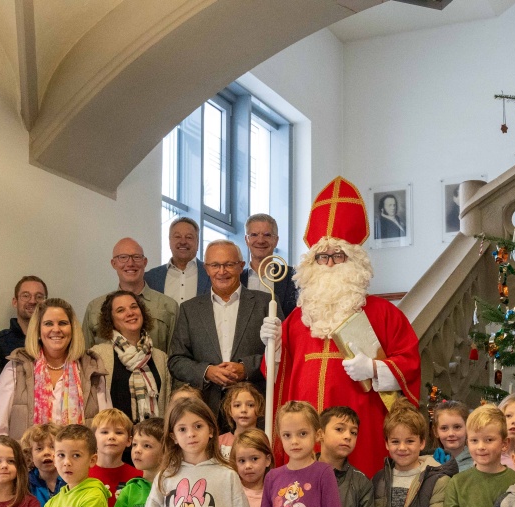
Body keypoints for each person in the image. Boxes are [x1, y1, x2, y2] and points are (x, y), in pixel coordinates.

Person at [261, 177, 421, 478]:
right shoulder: (297, 318)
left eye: (339, 255)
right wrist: (273, 348)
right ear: (312, 263)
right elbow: (276, 380)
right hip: (304, 437)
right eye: (323, 256)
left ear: (355, 261)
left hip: (361, 432)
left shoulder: (384, 313)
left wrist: (374, 369)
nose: (330, 264)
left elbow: (410, 363)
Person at [168, 240, 276, 423]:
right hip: (206, 409)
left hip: (254, 409)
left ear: (241, 266)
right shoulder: (190, 309)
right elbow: (177, 360)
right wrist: (206, 371)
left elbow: (281, 353)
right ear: (206, 268)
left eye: (229, 264)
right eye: (215, 265)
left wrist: (246, 368)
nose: (222, 271)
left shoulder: (266, 303)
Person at [0, 298, 109, 442]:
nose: (56, 329)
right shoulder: (16, 368)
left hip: (80, 463)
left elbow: (106, 429)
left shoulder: (91, 368)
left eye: (63, 323)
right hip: (26, 462)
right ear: (38, 330)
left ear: (73, 329)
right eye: (48, 323)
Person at [90, 290, 171, 429]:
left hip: (153, 442)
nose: (130, 313)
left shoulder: (160, 357)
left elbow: (167, 405)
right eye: (121, 310)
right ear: (111, 320)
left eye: (134, 307)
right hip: (113, 443)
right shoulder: (98, 355)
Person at [82, 238, 179, 350]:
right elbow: (84, 356)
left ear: (145, 262)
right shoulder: (95, 308)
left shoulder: (169, 306)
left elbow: (175, 358)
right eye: (123, 258)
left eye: (136, 257)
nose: (130, 263)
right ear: (114, 263)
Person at [0, 276, 48, 378]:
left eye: (39, 297)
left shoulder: (55, 343)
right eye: (26, 296)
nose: (33, 301)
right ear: (15, 302)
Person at [241, 213, 297, 318]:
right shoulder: (237, 278)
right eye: (254, 235)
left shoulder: (293, 277)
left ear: (276, 240)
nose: (261, 240)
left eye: (267, 235)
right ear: (246, 240)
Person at [145, 216, 207, 306]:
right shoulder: (151, 277)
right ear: (169, 241)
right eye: (177, 236)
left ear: (197, 242)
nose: (183, 241)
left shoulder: (211, 274)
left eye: (189, 237)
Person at [217, 382, 263, 457]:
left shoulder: (263, 440)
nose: (243, 410)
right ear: (229, 410)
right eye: (237, 405)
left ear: (259, 408)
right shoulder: (220, 442)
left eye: (250, 405)